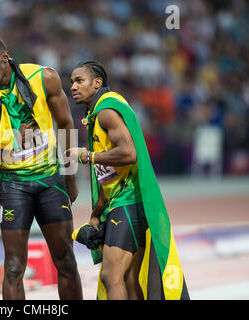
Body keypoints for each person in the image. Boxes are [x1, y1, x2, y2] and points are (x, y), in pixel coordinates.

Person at [0, 35, 82, 300]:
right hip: (14, 184)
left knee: (66, 261)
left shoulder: (44, 78)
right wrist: (13, 143)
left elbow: (65, 125)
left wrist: (70, 177)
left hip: (51, 179)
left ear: (6, 56)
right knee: (14, 267)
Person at [68, 61, 189, 300]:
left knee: (111, 277)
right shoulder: (98, 113)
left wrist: (86, 156)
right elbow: (110, 171)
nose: (72, 86)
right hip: (121, 202)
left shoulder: (106, 111)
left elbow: (128, 153)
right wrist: (98, 211)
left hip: (129, 203)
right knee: (131, 281)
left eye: (79, 81)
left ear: (97, 82)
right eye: (72, 81)